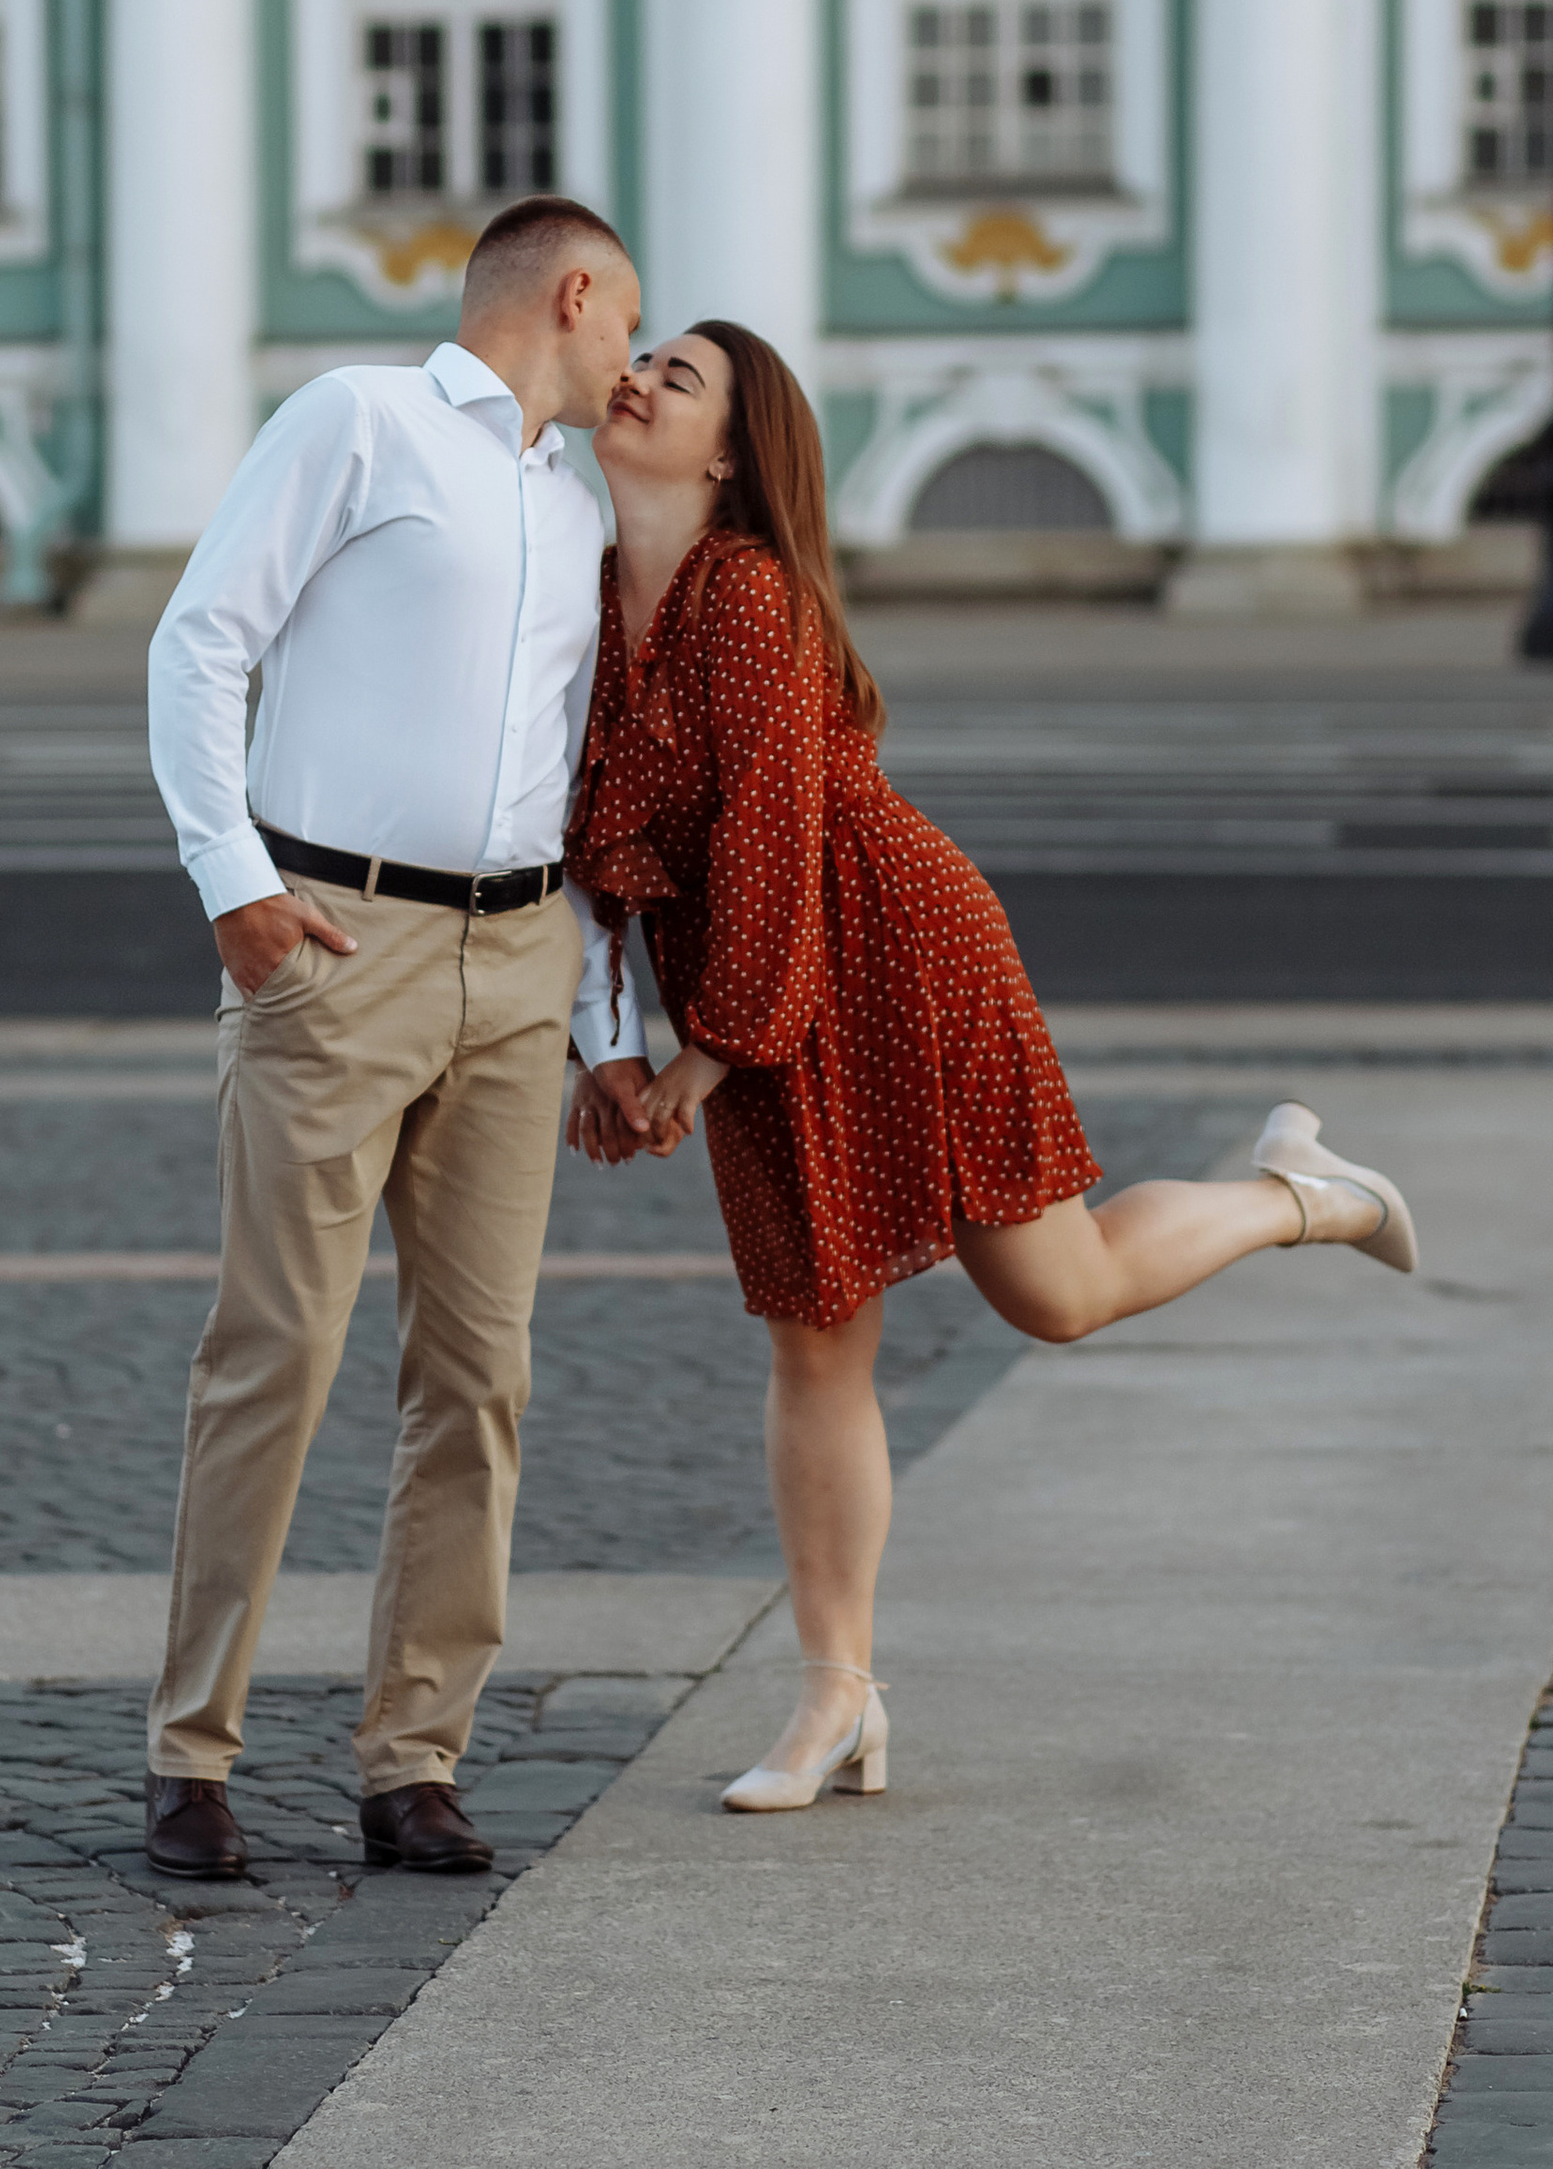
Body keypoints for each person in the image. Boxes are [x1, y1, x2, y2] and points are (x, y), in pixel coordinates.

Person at [565, 320, 1418, 1816]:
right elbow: (586, 848)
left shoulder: (747, 593)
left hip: (892, 948)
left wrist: (709, 1049)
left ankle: (1303, 1195)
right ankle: (835, 1696)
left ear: (730, 455)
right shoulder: (586, 601)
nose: (633, 376)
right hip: (755, 975)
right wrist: (612, 1040)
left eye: (676, 375)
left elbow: (770, 826)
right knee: (813, 1335)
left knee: (1058, 1295)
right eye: (640, 357)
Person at [140, 195, 657, 1883]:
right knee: (277, 1351)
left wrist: (599, 1024)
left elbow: (572, 777)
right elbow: (200, 641)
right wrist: (235, 882)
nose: (636, 358)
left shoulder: (576, 501)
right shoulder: (356, 420)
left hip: (521, 958)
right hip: (338, 940)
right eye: (628, 321)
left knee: (479, 1375)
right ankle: (191, 1756)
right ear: (571, 293)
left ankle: (413, 1761)